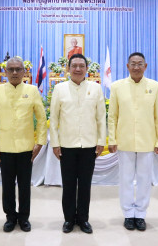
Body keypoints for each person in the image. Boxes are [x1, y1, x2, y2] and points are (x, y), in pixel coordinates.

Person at [0, 56, 47, 233]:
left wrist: (40, 142)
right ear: (5, 72)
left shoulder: (32, 90)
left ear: (23, 71)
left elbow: (42, 119)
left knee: (25, 186)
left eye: (18, 69)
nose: (14, 72)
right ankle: (10, 217)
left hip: (27, 148)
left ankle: (24, 217)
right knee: (7, 186)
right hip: (4, 148)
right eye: (10, 69)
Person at [50, 53, 106, 234]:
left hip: (89, 145)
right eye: (74, 66)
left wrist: (100, 141)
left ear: (86, 69)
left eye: (81, 66)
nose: (78, 69)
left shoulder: (96, 89)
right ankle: (68, 219)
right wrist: (55, 144)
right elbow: (54, 119)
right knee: (68, 185)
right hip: (66, 145)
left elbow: (101, 118)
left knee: (85, 185)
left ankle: (83, 219)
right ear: (68, 68)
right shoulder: (59, 89)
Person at [108, 52, 158, 231]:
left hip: (147, 140)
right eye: (133, 63)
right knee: (125, 179)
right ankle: (127, 214)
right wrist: (112, 138)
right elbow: (112, 116)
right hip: (124, 140)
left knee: (144, 179)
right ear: (127, 66)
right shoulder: (117, 87)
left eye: (140, 64)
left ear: (145, 66)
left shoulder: (154, 86)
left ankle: (140, 214)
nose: (136, 67)